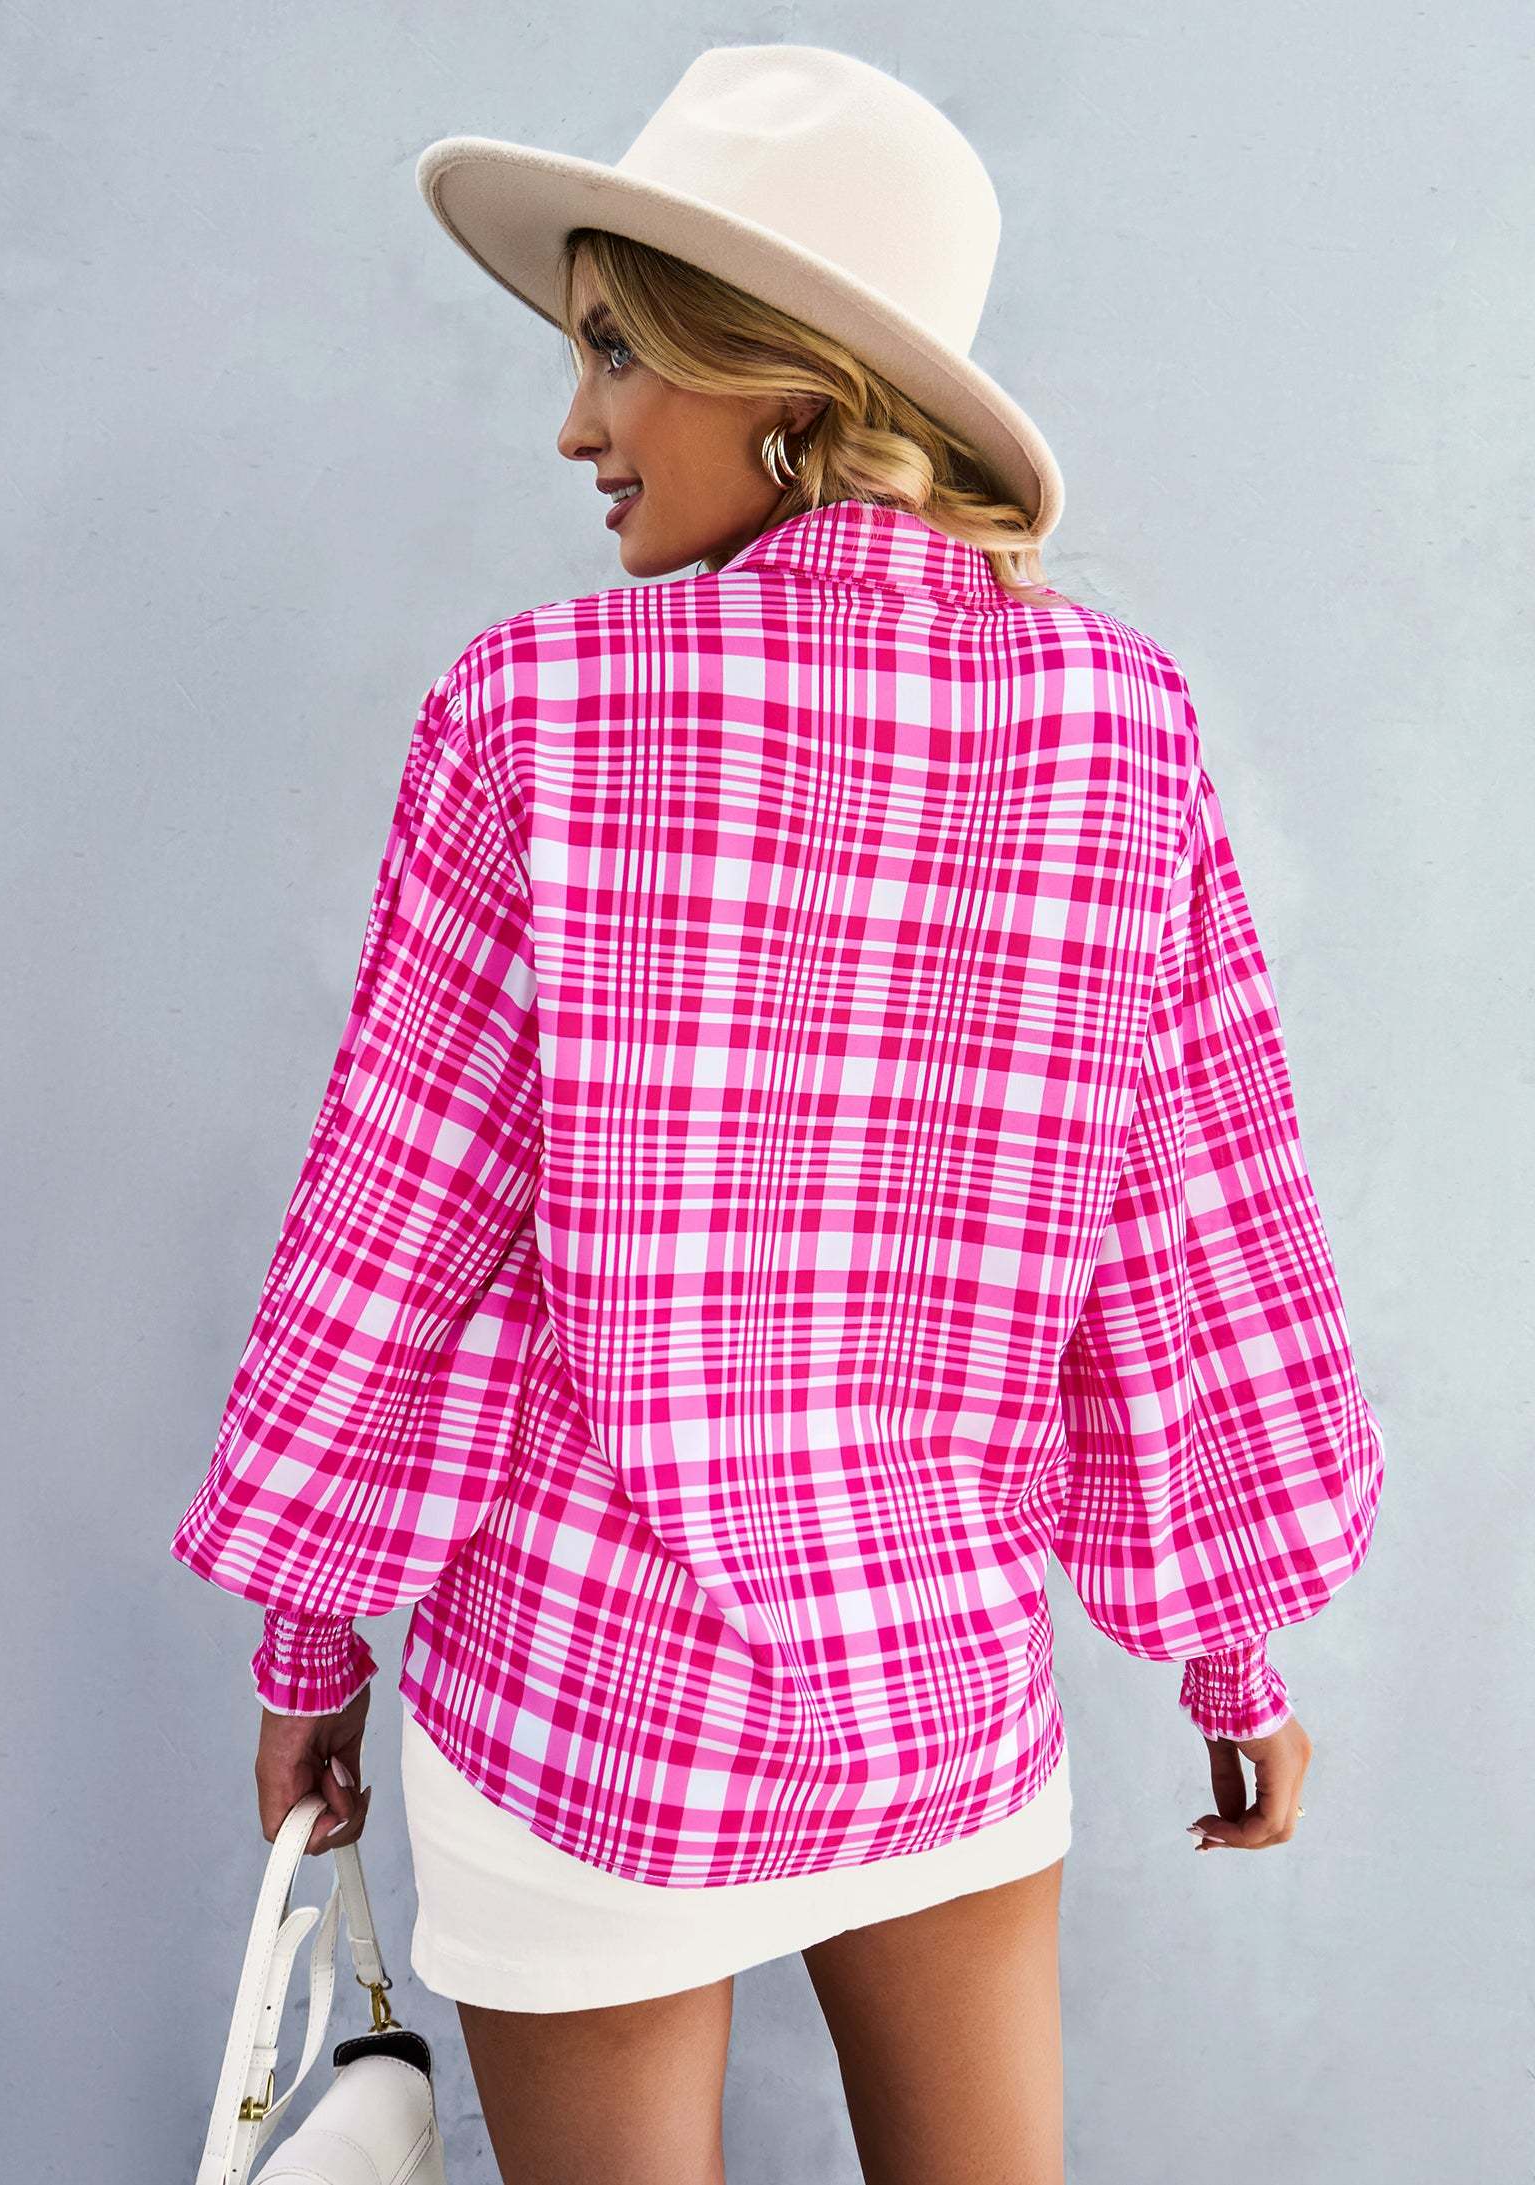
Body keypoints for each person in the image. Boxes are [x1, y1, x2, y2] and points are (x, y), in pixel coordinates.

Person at [169, 45, 1385, 2184]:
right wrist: (1230, 1654)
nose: (574, 427)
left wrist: (308, 1635)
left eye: (615, 351)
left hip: (588, 1708)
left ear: (786, 379)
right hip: (941, 1703)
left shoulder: (534, 711)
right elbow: (1188, 1229)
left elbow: (403, 1229)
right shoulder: (1123, 727)